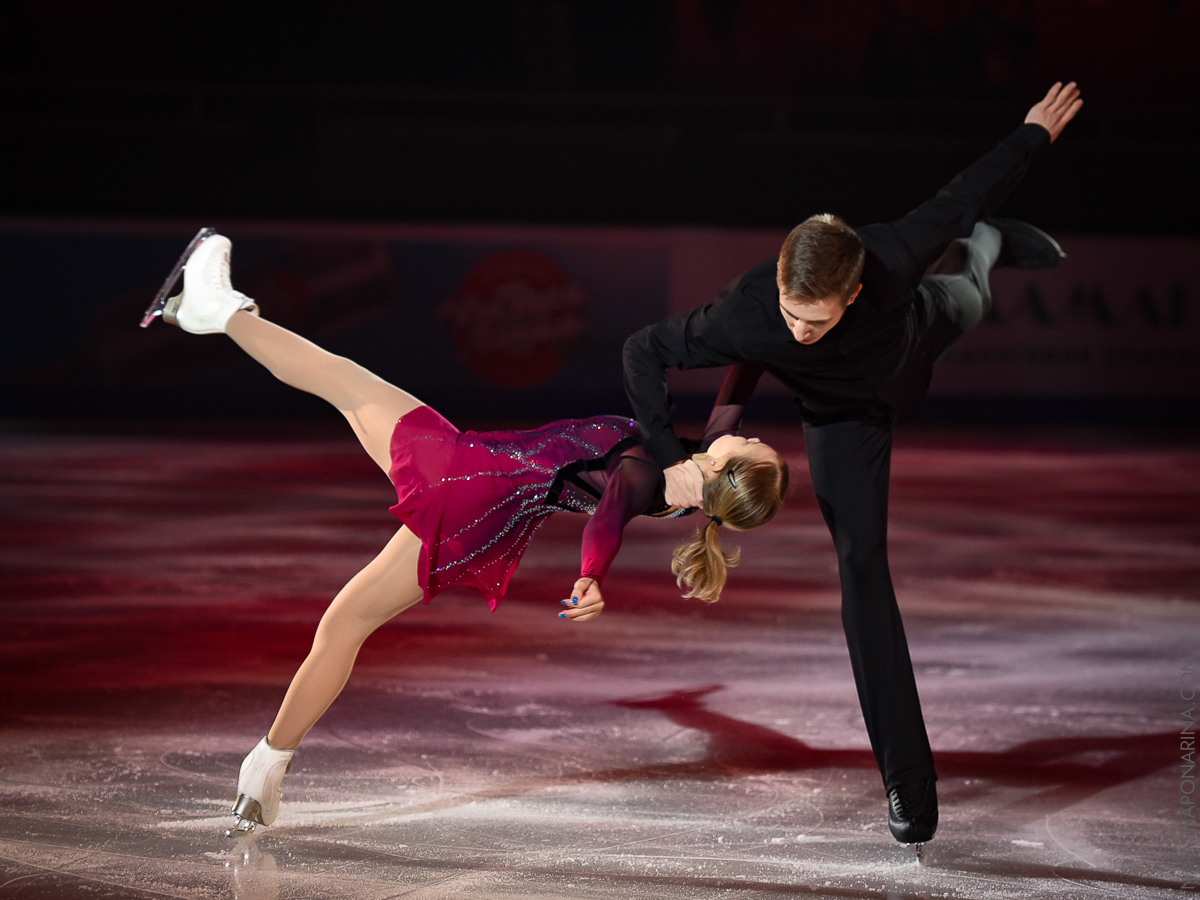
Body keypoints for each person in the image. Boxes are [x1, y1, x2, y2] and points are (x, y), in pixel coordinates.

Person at [139, 230, 789, 834]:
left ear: (725, 471)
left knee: (341, 394)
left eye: (756, 450)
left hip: (467, 480)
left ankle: (218, 309)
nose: (754, 436)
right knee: (345, 587)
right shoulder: (693, 468)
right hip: (481, 496)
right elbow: (741, 376)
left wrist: (591, 575)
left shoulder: (649, 473)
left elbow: (611, 511)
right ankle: (264, 771)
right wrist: (778, 311)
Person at [622, 82, 1083, 848]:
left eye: (818, 317)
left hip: (917, 337)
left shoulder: (895, 257)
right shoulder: (747, 311)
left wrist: (1033, 133)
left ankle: (993, 248)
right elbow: (643, 350)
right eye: (791, 313)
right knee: (862, 572)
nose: (800, 329)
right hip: (845, 420)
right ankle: (909, 783)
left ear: (855, 289)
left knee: (969, 285)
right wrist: (672, 461)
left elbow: (966, 189)